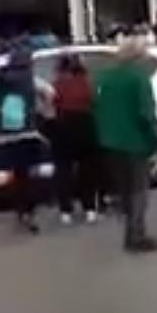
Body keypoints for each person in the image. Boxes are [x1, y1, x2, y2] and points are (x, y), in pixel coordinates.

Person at [93, 36, 157, 253]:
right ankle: (136, 235)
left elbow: (96, 108)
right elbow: (146, 113)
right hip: (134, 142)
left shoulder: (104, 77)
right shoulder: (138, 78)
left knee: (123, 191)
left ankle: (129, 232)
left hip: (110, 141)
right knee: (138, 191)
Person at [0, 49, 55, 232]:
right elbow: (50, 92)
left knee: (16, 175)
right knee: (29, 173)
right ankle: (30, 211)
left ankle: (20, 210)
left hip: (6, 135)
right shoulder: (31, 80)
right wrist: (43, 110)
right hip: (28, 132)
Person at [52, 55, 101, 225]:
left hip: (64, 125)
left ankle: (66, 210)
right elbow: (95, 102)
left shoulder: (58, 83)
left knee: (63, 169)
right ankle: (90, 209)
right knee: (88, 169)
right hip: (86, 125)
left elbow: (54, 104)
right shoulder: (87, 82)